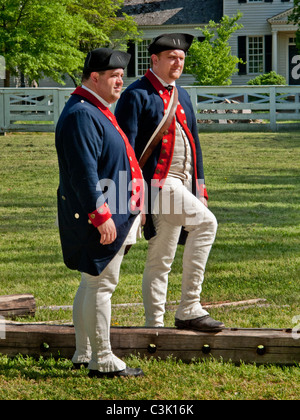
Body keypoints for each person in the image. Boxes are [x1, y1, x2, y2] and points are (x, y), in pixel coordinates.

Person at [115, 33, 224, 332]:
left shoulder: (183, 95)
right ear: (154, 60)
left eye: (181, 58)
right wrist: (133, 199)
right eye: (172, 58)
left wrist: (199, 188)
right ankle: (190, 306)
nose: (178, 63)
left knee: (161, 257)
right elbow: (125, 151)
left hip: (182, 184)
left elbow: (195, 144)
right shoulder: (136, 95)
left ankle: (155, 326)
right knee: (207, 225)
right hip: (159, 185)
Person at [55, 48, 145, 378]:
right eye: (113, 76)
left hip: (116, 209)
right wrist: (101, 215)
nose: (121, 81)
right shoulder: (83, 114)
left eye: (122, 76)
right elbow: (83, 172)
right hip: (101, 216)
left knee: (91, 284)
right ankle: (102, 358)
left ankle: (84, 351)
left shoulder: (94, 109)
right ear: (94, 78)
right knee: (101, 285)